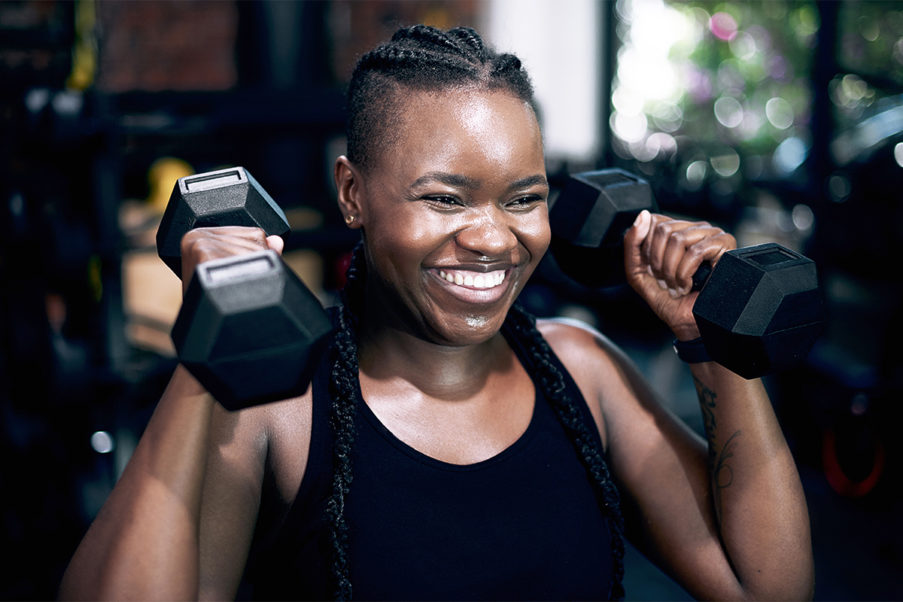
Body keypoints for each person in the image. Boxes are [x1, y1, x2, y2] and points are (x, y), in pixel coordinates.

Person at [59, 25, 814, 601]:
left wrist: (711, 341)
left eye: (523, 197)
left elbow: (766, 588)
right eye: (444, 197)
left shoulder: (583, 373)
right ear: (352, 194)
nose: (493, 237)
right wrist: (212, 341)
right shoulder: (275, 408)